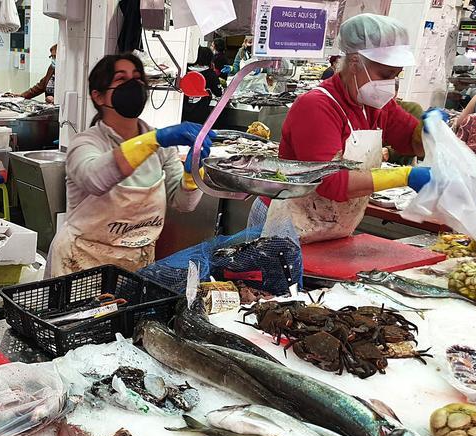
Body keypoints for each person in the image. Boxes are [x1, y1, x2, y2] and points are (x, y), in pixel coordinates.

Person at [253, 14, 442, 244]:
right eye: (385, 74)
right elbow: (330, 182)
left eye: (396, 75)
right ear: (354, 63)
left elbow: (411, 143)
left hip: (330, 226)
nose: (390, 84)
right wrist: (404, 175)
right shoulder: (317, 106)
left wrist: (430, 129)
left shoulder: (378, 107)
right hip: (285, 223)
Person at [47, 53, 214, 276]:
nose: (132, 85)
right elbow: (94, 179)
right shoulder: (86, 143)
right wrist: (154, 140)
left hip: (136, 263)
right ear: (98, 96)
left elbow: (184, 204)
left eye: (137, 78)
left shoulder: (161, 146)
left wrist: (194, 172)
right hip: (81, 262)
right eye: (121, 79)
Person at [182, 47, 223, 124]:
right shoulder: (210, 74)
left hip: (183, 113)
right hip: (201, 114)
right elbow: (219, 93)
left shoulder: (184, 71)